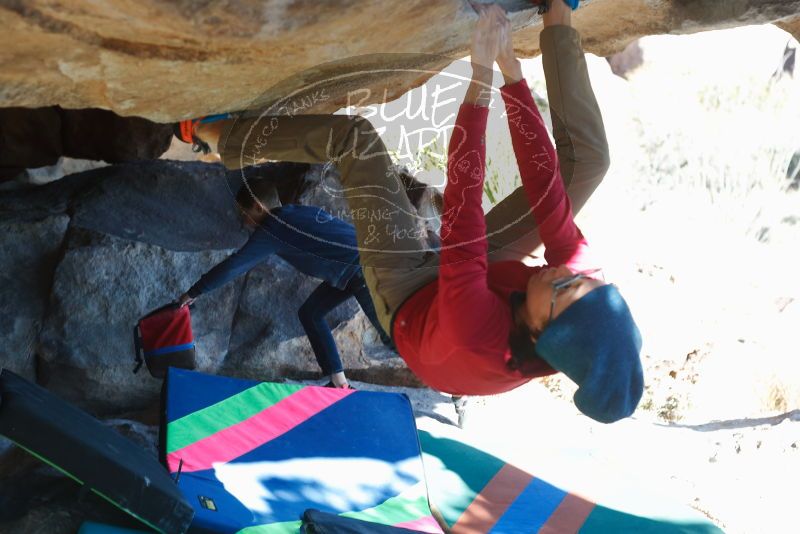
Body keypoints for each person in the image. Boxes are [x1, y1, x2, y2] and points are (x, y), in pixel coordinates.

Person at [179, 0, 643, 423]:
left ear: (542, 331)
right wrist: (513, 72)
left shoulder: (477, 333)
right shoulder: (581, 297)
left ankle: (215, 136)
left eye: (562, 287)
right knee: (588, 162)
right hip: (482, 280)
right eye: (579, 278)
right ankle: (558, 13)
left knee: (356, 142)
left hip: (411, 299)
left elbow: (464, 201)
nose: (559, 271)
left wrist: (482, 74)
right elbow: (547, 191)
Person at [178, 179, 392, 389]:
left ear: (258, 207)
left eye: (244, 214)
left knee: (391, 337)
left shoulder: (273, 228)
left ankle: (425, 371)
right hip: (354, 267)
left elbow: (234, 265)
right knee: (310, 313)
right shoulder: (296, 212)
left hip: (363, 269)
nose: (242, 221)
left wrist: (194, 292)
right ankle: (339, 383)